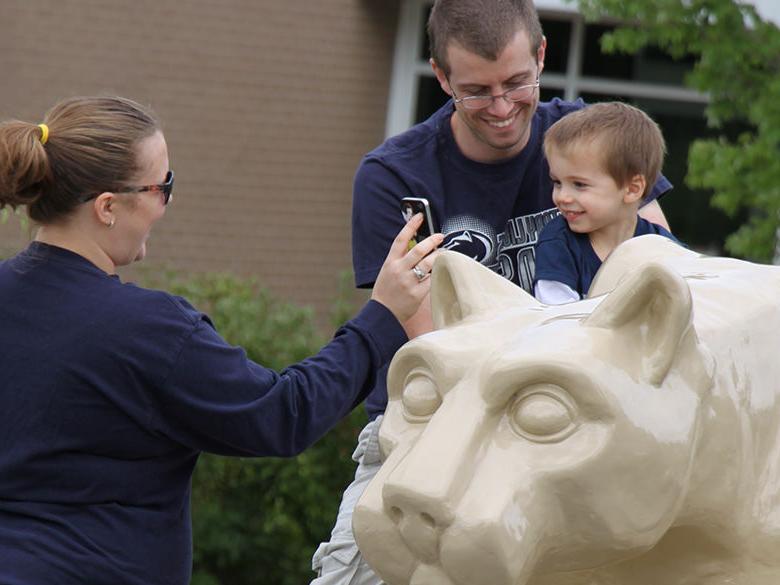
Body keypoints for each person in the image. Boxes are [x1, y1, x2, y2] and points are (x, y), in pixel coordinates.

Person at [0, 95, 443, 585]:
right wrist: (383, 315)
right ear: (108, 206)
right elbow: (282, 415)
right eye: (163, 187)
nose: (168, 201)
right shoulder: (148, 330)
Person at [311, 0, 674, 583]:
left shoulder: (592, 136)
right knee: (357, 570)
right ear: (442, 76)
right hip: (431, 422)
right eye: (476, 91)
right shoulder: (395, 176)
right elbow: (427, 337)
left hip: (568, 420)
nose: (503, 107)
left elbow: (656, 270)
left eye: (516, 83)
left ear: (541, 56)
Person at [534, 102, 680, 304]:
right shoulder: (558, 243)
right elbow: (559, 321)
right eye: (557, 182)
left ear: (632, 189)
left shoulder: (660, 246)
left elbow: (689, 298)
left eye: (579, 184)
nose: (562, 197)